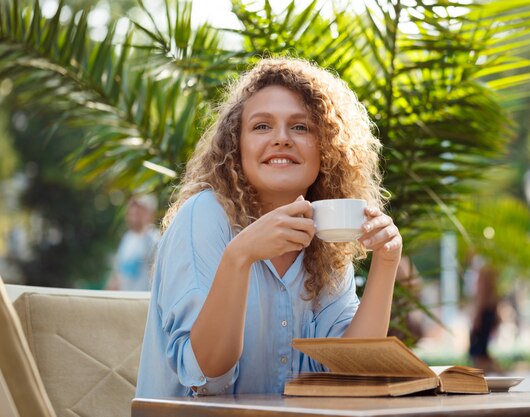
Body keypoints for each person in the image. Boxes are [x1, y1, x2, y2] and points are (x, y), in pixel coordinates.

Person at [136, 57, 403, 398]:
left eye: (301, 127)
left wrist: (386, 261)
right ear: (237, 145)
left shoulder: (327, 236)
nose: (281, 139)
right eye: (262, 126)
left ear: (326, 148)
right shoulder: (204, 216)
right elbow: (207, 371)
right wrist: (241, 255)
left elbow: (351, 372)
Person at [106, 194, 159, 291]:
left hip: (143, 302)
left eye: (140, 209)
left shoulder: (155, 238)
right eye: (132, 209)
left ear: (150, 213)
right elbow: (117, 273)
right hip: (124, 301)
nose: (134, 212)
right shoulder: (127, 238)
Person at [467, 255, 501, 373]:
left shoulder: (483, 272)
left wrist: (476, 316)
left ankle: (481, 378)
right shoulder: (491, 273)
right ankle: (499, 373)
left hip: (483, 314)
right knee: (483, 352)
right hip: (488, 313)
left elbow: (481, 296)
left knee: (479, 353)